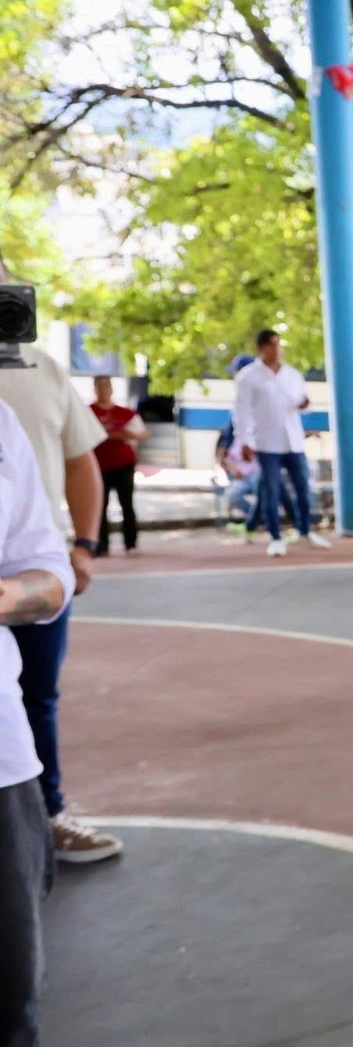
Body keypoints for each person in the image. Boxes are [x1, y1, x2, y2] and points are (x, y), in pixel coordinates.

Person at [0, 344, 121, 862]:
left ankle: (48, 814)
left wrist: (84, 547)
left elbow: (80, 460)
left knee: (37, 698)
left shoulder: (41, 368)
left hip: (35, 561)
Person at [0, 399, 74, 1047]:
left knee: (9, 997)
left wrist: (7, 595)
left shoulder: (0, 422)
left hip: (2, 763)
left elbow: (49, 575)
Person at [233, 329, 330, 558]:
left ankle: (305, 530)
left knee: (303, 489)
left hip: (293, 440)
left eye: (278, 345)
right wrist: (244, 441)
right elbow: (242, 412)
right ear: (261, 349)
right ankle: (275, 537)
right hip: (266, 442)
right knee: (272, 491)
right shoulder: (248, 377)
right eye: (270, 345)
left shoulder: (292, 375)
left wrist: (305, 404)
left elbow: (303, 404)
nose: (276, 350)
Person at [88, 376, 146, 557]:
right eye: (100, 386)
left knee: (127, 504)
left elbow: (143, 434)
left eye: (107, 386)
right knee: (99, 505)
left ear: (112, 389)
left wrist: (126, 434)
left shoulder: (125, 413)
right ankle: (101, 545)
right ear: (95, 389)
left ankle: (131, 543)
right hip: (99, 465)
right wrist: (110, 435)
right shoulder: (87, 413)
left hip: (123, 464)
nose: (104, 389)